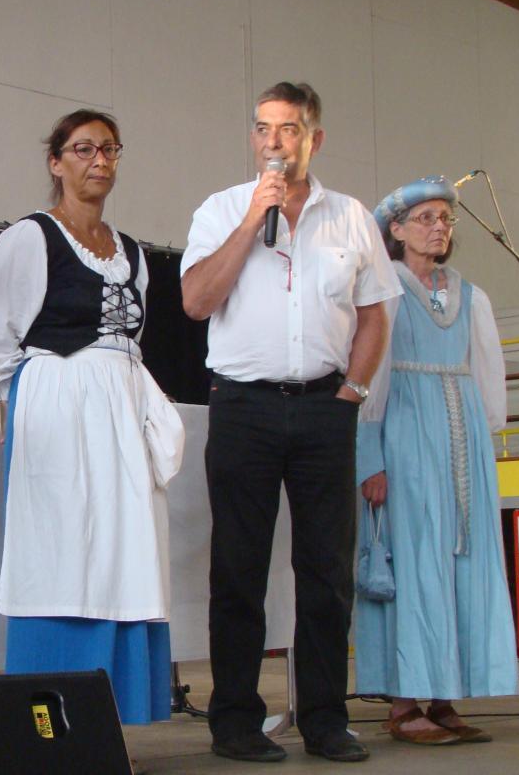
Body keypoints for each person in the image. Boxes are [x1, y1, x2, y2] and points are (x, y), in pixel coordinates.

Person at [181, 82, 400, 763]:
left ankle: (326, 720)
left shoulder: (352, 217)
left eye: (288, 129)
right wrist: (252, 221)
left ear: (314, 138)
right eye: (263, 129)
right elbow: (194, 301)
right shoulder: (220, 210)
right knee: (238, 569)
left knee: (325, 571)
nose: (273, 142)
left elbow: (373, 314)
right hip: (242, 406)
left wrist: (353, 392)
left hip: (323, 407)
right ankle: (235, 722)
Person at [0, 109, 184, 725]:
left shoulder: (134, 256)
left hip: (122, 414)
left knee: (124, 558)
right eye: (83, 149)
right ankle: (50, 725)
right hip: (57, 412)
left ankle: (109, 725)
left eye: (109, 149)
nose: (98, 161)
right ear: (56, 161)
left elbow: (132, 345)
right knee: (61, 559)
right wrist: (17, 427)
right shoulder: (30, 239)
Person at [356, 176, 518, 744]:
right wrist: (369, 458)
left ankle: (445, 693)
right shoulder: (387, 293)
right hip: (405, 432)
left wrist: (481, 442)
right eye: (424, 218)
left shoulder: (470, 295)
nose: (438, 227)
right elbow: (367, 380)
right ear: (395, 231)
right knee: (415, 560)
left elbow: (487, 380)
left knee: (461, 558)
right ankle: (404, 704)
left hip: (461, 441)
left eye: (444, 219)